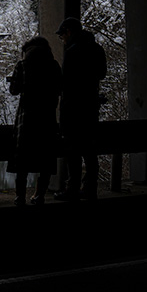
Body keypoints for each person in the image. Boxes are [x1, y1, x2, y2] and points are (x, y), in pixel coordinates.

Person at [54, 17, 107, 201]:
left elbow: (65, 83)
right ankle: (90, 188)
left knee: (73, 151)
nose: (62, 39)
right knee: (90, 151)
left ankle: (72, 188)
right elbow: (102, 74)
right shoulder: (97, 49)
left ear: (68, 32)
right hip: (90, 107)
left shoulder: (72, 51)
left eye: (62, 36)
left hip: (73, 109)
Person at [6, 36, 62, 206]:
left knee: (22, 160)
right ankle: (39, 195)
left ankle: (20, 196)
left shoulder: (23, 65)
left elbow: (14, 90)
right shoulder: (54, 66)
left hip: (27, 119)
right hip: (47, 118)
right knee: (45, 159)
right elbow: (60, 88)